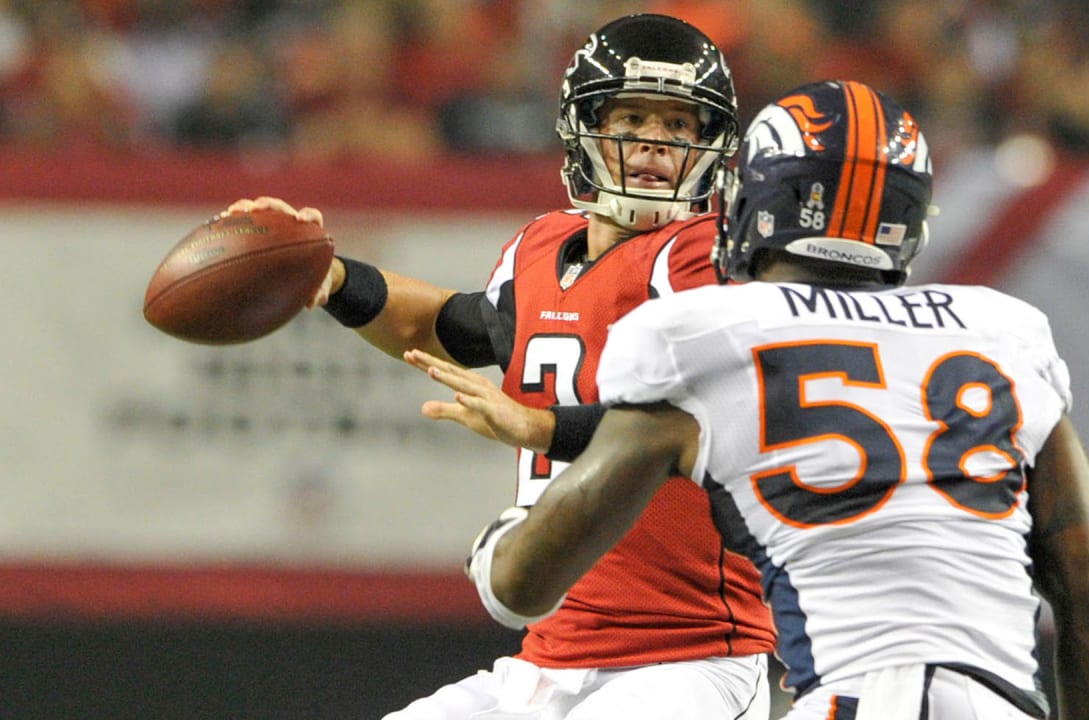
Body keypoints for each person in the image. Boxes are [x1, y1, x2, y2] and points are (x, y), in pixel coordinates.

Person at [460, 79, 1089, 720]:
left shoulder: (706, 336)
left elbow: (525, 584)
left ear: (755, 201)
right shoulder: (1001, 333)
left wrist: (498, 546)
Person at [227, 13, 776, 720]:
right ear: (584, 124)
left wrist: (539, 425)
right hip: (550, 657)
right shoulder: (542, 245)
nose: (654, 143)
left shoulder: (702, 256)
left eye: (680, 126)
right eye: (634, 116)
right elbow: (452, 327)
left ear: (710, 144)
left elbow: (691, 425)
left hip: (687, 657)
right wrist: (331, 277)